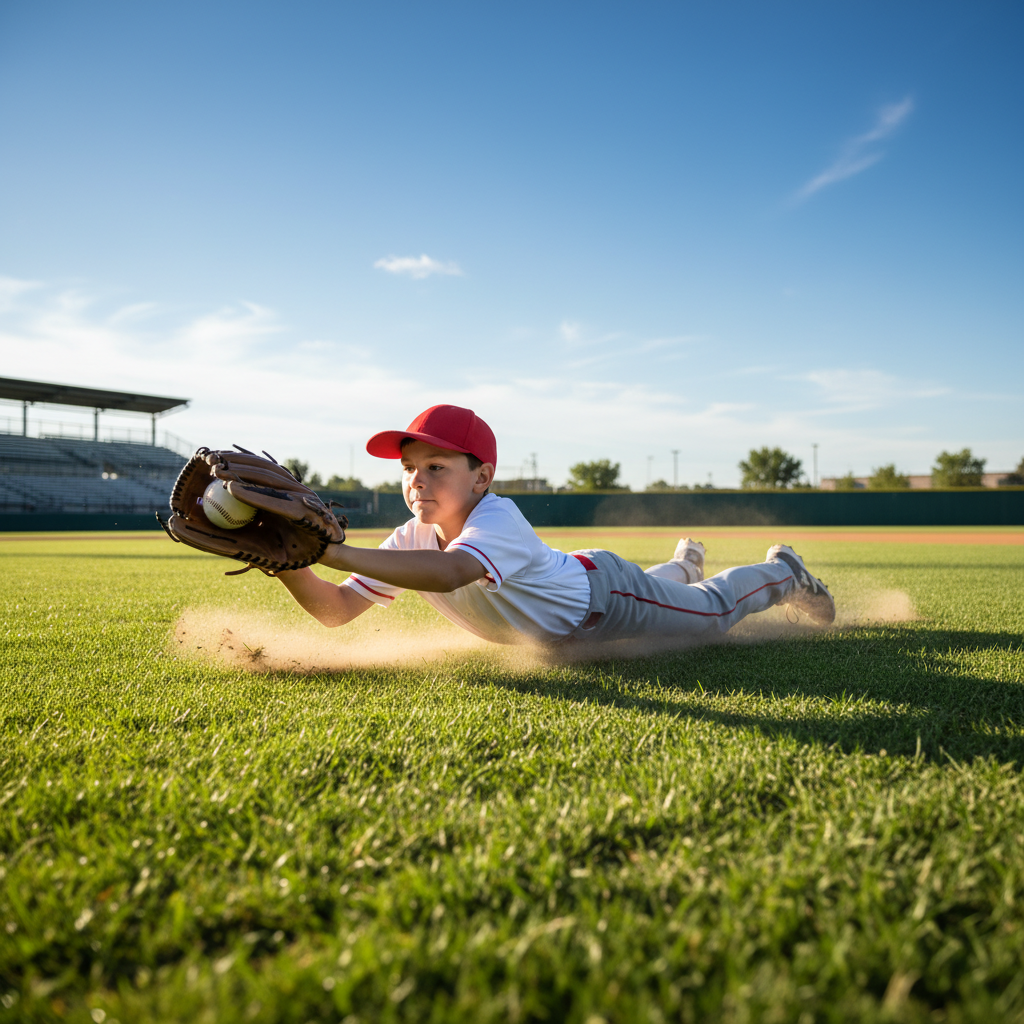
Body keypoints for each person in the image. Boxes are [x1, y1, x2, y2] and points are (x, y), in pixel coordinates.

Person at [275, 404, 835, 645]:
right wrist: (288, 563)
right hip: (580, 590)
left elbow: (450, 574)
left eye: (436, 466)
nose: (416, 480)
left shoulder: (497, 518)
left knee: (713, 615)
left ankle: (783, 572)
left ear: (481, 477)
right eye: (409, 468)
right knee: (672, 587)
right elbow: (335, 611)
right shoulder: (408, 539)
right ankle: (683, 565)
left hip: (608, 598)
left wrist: (332, 552)